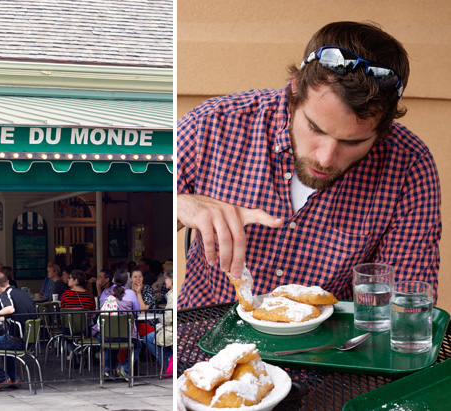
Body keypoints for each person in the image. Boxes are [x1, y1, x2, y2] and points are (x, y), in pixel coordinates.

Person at [177, 21, 441, 309]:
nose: (326, 158)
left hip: (322, 351)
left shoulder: (409, 167)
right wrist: (178, 205)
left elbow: (404, 308)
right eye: (315, 128)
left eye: (353, 143)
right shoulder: (213, 124)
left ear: (383, 132)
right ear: (294, 92)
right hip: (200, 336)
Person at [96, 269, 141, 380]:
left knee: (110, 345)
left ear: (113, 280)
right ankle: (124, 368)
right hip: (127, 334)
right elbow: (137, 312)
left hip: (106, 334)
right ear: (126, 282)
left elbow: (100, 310)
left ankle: (106, 369)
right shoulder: (130, 293)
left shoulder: (105, 292)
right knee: (138, 345)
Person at [143, 270, 173, 370]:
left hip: (171, 329)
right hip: (169, 328)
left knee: (148, 338)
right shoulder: (171, 294)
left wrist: (160, 319)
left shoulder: (172, 295)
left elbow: (169, 317)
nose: (165, 281)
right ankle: (169, 360)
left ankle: (167, 363)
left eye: (167, 279)